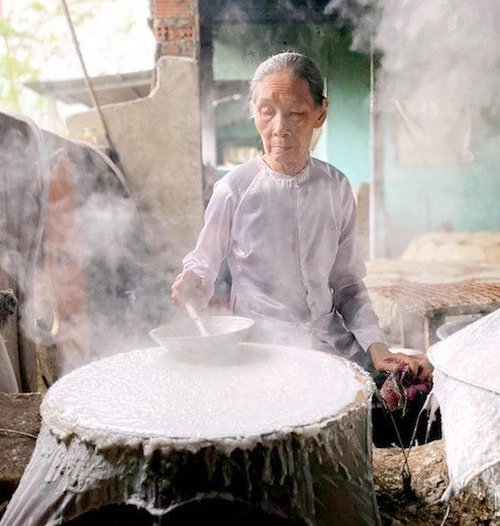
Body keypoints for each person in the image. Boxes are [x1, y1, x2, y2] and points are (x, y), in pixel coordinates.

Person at [171, 51, 430, 381]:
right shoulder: (234, 189)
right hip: (261, 354)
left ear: (320, 114)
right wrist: (194, 280)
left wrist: (376, 347)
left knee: (410, 383)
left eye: (295, 113)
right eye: (267, 112)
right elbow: (202, 265)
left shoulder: (335, 187)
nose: (280, 128)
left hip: (330, 346)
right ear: (253, 112)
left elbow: (348, 285)